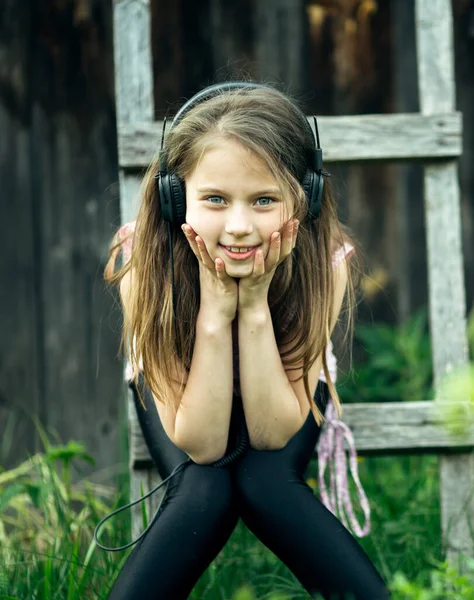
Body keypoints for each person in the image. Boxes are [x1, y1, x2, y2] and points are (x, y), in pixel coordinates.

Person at [102, 81, 390, 599]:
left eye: (263, 200)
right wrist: (215, 307)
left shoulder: (326, 261)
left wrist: (253, 305)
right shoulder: (143, 258)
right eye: (214, 199)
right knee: (205, 489)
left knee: (264, 483)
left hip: (280, 386)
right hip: (186, 390)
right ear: (174, 197)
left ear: (306, 197)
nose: (238, 227)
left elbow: (274, 434)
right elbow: (205, 445)